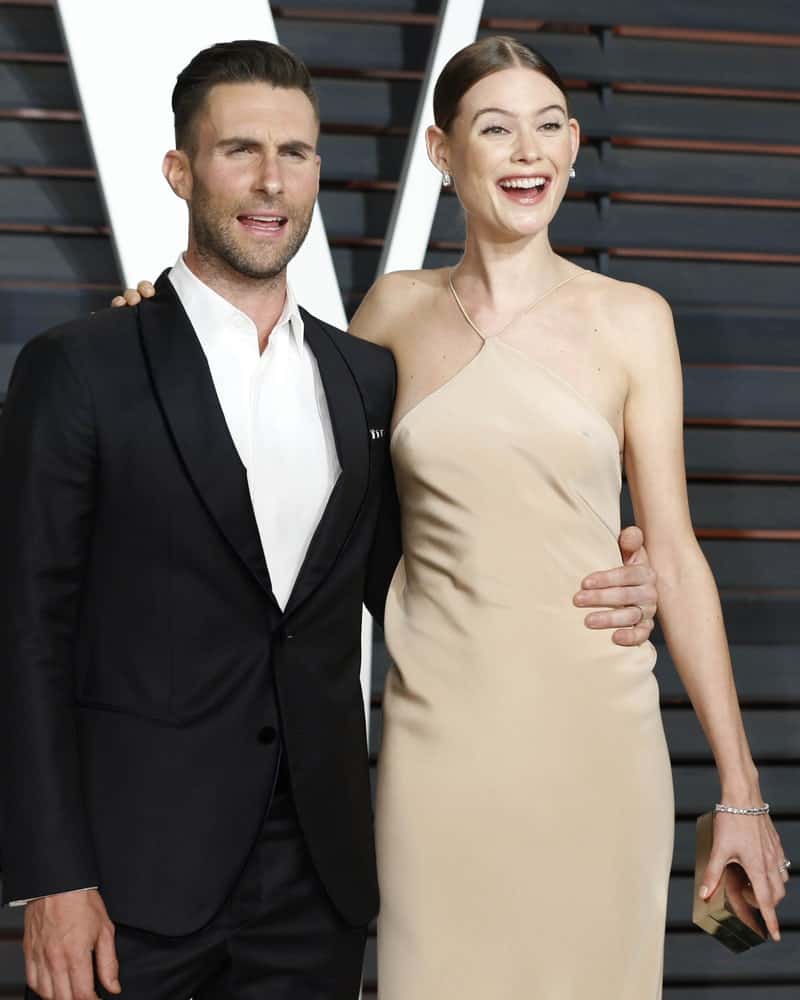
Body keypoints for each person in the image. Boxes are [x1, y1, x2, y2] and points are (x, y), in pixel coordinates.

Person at [0, 39, 658, 1000]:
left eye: (297, 154)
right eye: (240, 152)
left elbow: (433, 565)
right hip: (130, 888)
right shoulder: (81, 366)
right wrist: (53, 878)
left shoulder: (363, 376)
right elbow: (24, 633)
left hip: (321, 888)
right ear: (180, 171)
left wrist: (617, 577)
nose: (272, 182)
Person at [345, 37, 788, 1000]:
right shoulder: (389, 312)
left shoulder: (632, 318)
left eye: (548, 127)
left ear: (576, 146)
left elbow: (670, 548)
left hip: (599, 741)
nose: (526, 152)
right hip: (437, 748)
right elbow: (309, 493)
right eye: (495, 129)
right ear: (442, 152)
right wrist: (156, 323)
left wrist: (742, 792)